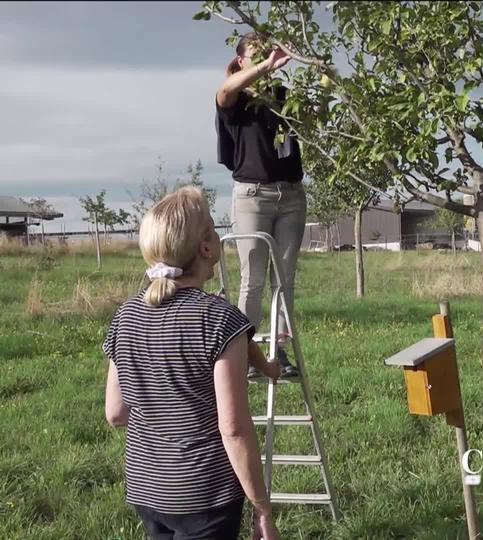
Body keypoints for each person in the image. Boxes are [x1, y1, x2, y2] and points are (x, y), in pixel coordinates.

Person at [103, 187, 280, 540]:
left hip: (146, 489)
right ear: (206, 247)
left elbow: (116, 413)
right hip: (204, 496)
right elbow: (233, 429)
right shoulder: (220, 320)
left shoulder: (126, 316)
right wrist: (262, 509)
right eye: (213, 228)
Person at [216, 31, 306, 379]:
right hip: (252, 196)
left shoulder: (283, 97)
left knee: (285, 278)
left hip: (292, 195)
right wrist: (265, 66)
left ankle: (277, 351)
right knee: (252, 277)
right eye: (257, 54)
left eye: (269, 54)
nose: (267, 59)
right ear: (241, 60)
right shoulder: (235, 100)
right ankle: (246, 354)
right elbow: (224, 92)